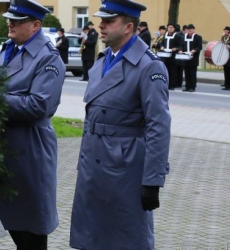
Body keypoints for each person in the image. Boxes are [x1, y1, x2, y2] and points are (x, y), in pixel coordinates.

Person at [69, 0, 171, 249]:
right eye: (101, 20)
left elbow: (158, 126)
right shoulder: (102, 60)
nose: (100, 26)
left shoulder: (149, 67)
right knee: (91, 238)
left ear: (128, 27)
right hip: (94, 167)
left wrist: (152, 181)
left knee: (125, 239)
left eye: (108, 21)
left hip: (125, 169)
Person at [0, 0, 65, 249]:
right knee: (14, 225)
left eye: (19, 20)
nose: (10, 23)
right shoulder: (7, 50)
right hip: (6, 148)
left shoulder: (48, 58)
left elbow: (39, 105)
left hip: (29, 150)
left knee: (30, 231)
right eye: (10, 18)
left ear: (36, 25)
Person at [157, 23, 182, 90]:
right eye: (169, 27)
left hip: (173, 56)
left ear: (174, 28)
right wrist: (162, 47)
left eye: (171, 27)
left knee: (173, 71)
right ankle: (166, 84)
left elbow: (180, 46)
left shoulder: (177, 36)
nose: (170, 29)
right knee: (166, 70)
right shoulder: (165, 35)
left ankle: (172, 84)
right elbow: (162, 43)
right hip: (165, 55)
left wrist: (175, 49)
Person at [178, 24, 202, 92]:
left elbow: (199, 46)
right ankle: (187, 86)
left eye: (191, 29)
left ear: (194, 30)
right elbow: (181, 45)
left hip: (193, 58)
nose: (190, 30)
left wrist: (194, 50)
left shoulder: (198, 37)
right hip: (185, 57)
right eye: (189, 29)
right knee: (186, 72)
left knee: (192, 73)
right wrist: (180, 50)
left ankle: (192, 86)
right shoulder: (184, 37)